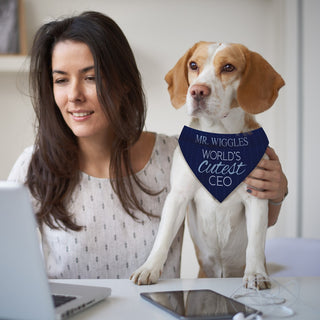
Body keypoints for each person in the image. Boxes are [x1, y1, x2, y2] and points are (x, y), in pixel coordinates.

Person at [8, 11, 288, 279]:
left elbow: (242, 214)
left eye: (91, 78)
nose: (74, 95)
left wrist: (276, 191)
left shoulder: (176, 155)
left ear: (124, 83)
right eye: (60, 80)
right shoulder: (32, 167)